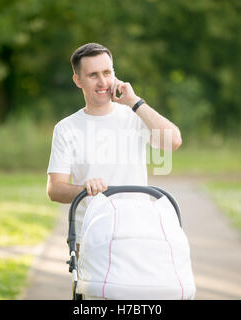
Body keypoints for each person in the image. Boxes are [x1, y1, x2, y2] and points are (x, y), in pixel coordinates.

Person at [46, 43, 182, 245]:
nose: (102, 82)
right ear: (78, 80)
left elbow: (173, 142)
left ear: (115, 75)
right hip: (91, 238)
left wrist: (134, 101)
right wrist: (84, 189)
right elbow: (54, 190)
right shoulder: (66, 128)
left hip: (137, 234)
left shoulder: (135, 115)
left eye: (107, 73)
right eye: (93, 75)